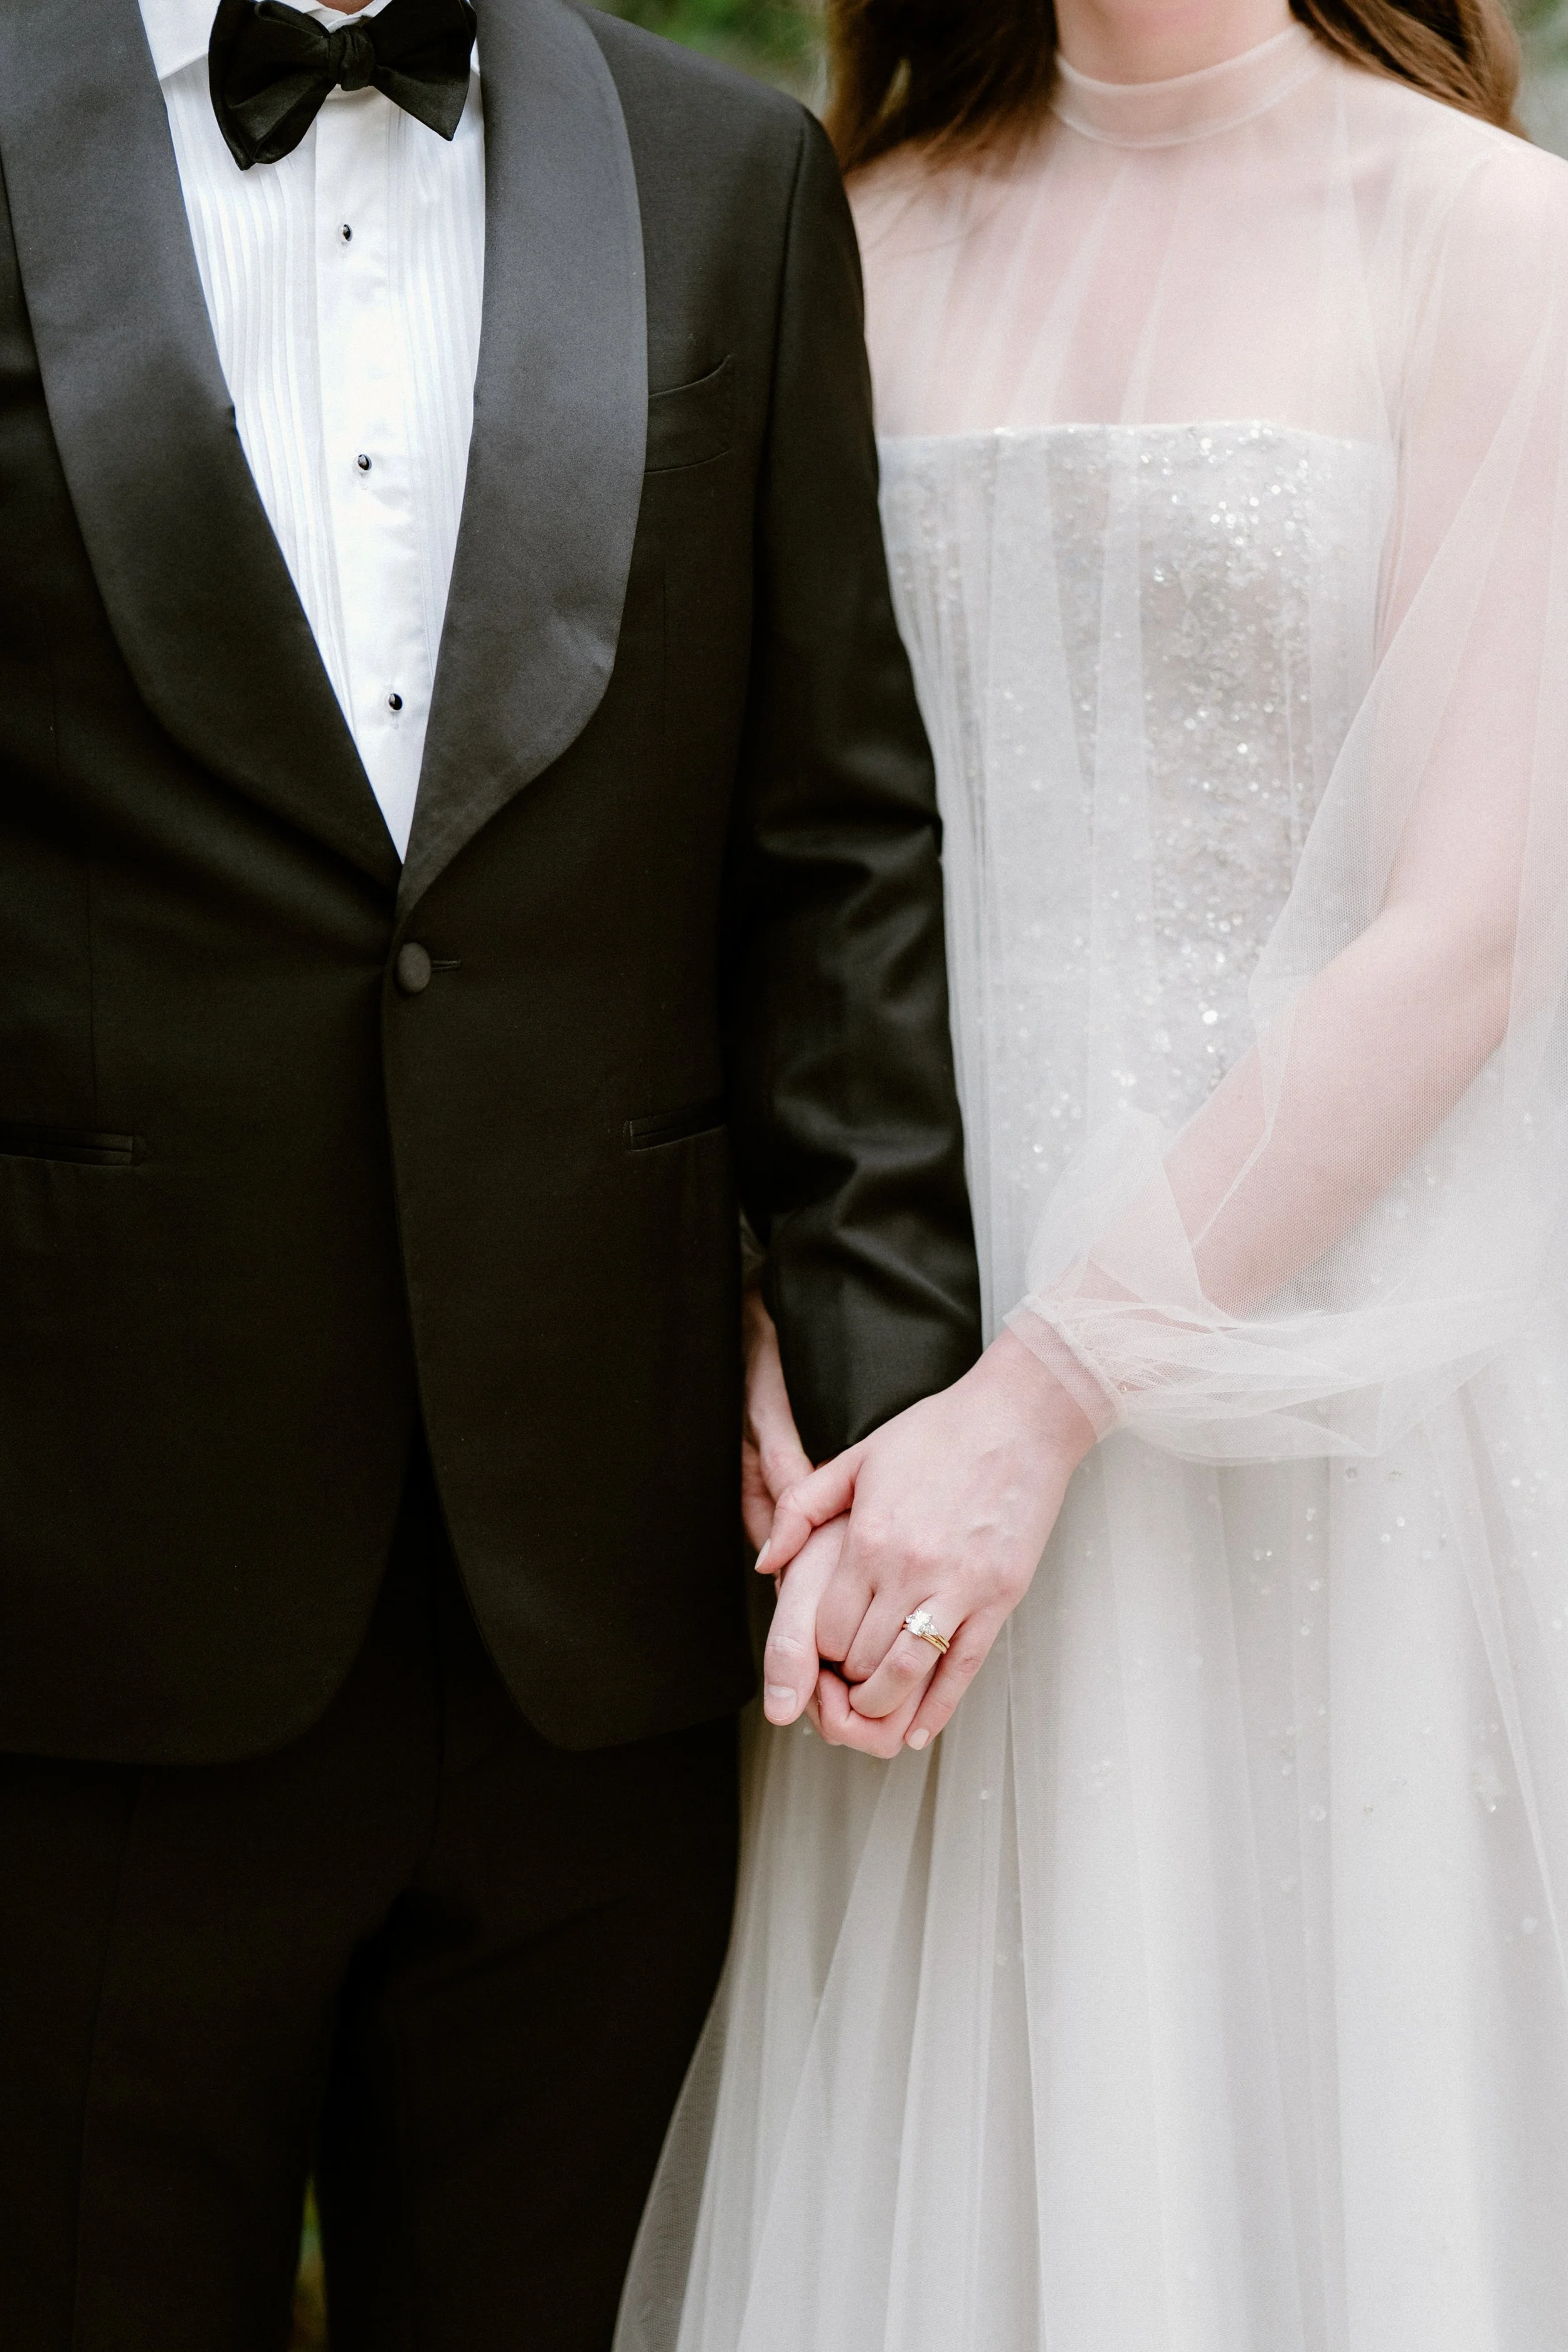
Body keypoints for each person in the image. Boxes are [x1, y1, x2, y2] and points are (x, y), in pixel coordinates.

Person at [0, 0, 986, 2343]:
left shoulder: (730, 176)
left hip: (599, 1607)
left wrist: (887, 1415)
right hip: (78, 1586)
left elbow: (831, 844)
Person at [619, 0, 1568, 2343]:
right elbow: (753, 861)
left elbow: (1460, 941)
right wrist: (772, 1290)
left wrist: (1043, 1400)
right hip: (896, 1399)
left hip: (1314, 1406)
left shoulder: (1484, 240)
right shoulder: (835, 236)